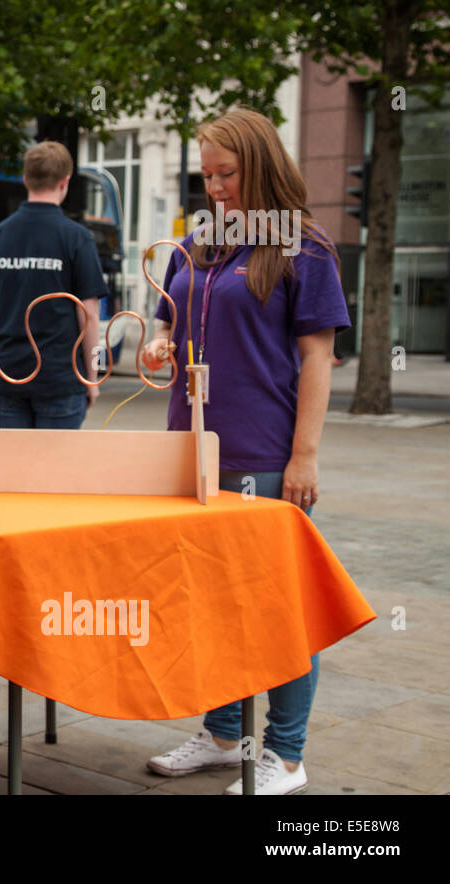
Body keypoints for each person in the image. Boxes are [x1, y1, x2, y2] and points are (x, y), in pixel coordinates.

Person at [141, 107, 351, 795]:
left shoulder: (304, 247)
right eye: (207, 176)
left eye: (227, 174)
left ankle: (285, 756)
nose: (217, 188)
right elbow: (175, 318)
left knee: (278, 608)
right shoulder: (201, 241)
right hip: (192, 450)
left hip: (263, 452)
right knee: (207, 601)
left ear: (260, 165)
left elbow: (317, 358)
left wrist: (305, 456)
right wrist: (160, 341)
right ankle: (223, 731)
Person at [0, 141, 105, 428]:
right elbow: (89, 315)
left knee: (17, 469)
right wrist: (91, 379)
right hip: (61, 378)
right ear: (65, 181)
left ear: (25, 179)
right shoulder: (77, 238)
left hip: (10, 374)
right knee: (55, 471)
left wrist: (0, 346)